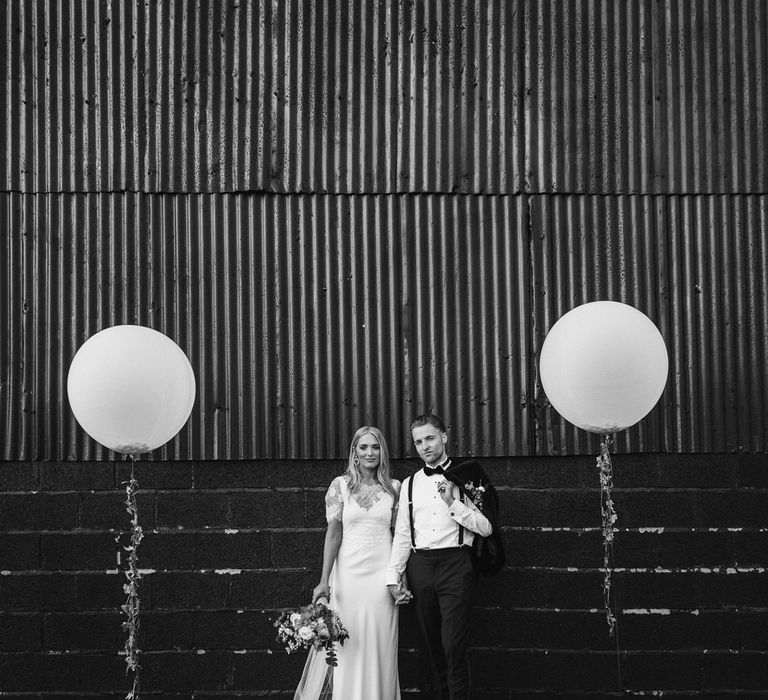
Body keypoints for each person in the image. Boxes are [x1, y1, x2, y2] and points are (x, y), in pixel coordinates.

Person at [386, 413, 493, 700]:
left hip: (456, 565)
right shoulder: (408, 484)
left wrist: (453, 504)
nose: (424, 446)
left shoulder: (469, 476)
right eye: (418, 442)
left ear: (444, 437)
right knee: (432, 646)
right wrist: (393, 577)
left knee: (453, 645)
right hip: (420, 566)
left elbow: (486, 527)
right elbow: (403, 535)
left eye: (430, 438)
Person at [294, 426, 403, 700]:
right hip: (348, 579)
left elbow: (401, 537)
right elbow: (334, 533)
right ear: (354, 452)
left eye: (375, 447)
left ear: (382, 452)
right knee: (347, 647)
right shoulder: (339, 486)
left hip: (381, 581)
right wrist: (323, 581)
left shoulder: (395, 488)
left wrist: (399, 578)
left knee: (380, 646)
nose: (370, 452)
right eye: (363, 447)